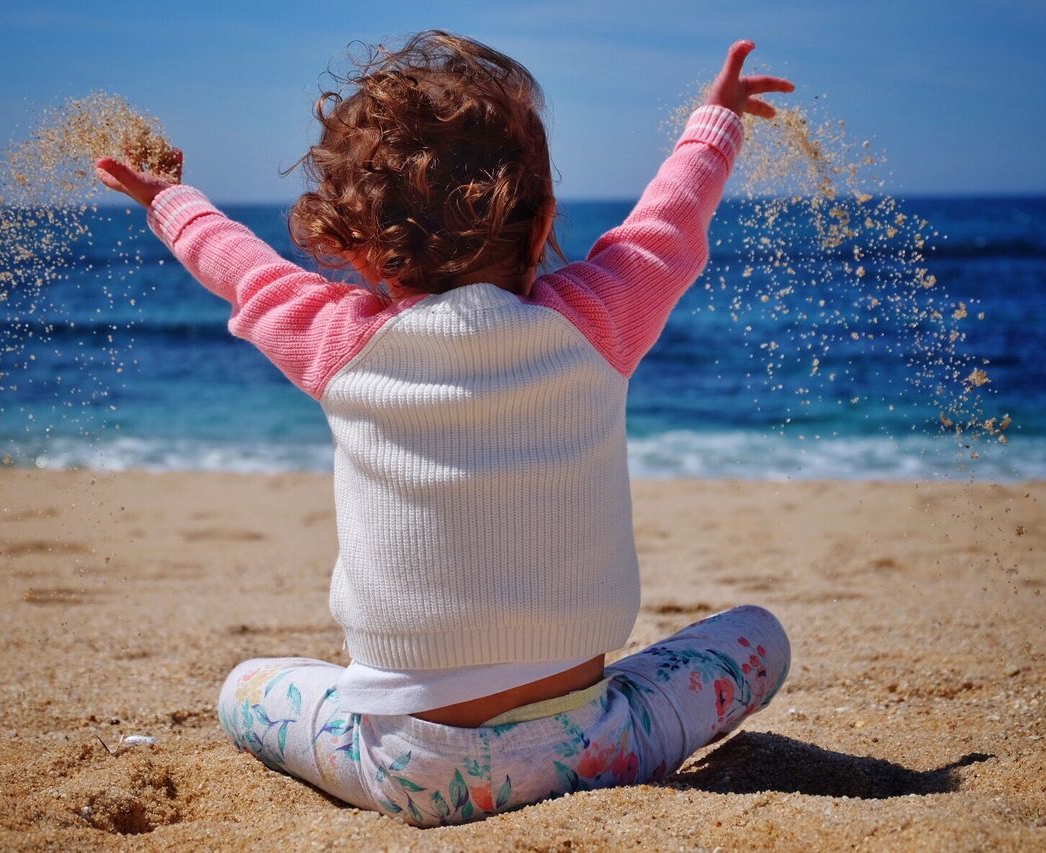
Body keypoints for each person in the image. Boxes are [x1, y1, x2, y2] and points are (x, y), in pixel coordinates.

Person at [96, 30, 794, 826]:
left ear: (359, 249)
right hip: (596, 747)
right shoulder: (597, 319)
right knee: (758, 635)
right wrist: (717, 120)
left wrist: (166, 200)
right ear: (542, 225)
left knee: (244, 686)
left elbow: (243, 268)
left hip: (409, 768)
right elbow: (667, 225)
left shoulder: (341, 343)